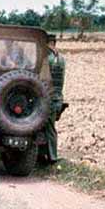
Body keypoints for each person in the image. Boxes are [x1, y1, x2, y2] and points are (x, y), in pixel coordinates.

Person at [40, 34, 66, 164]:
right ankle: (46, 155)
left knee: (46, 128)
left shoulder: (45, 59)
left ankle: (52, 157)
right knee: (50, 127)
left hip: (47, 98)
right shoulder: (61, 59)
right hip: (57, 97)